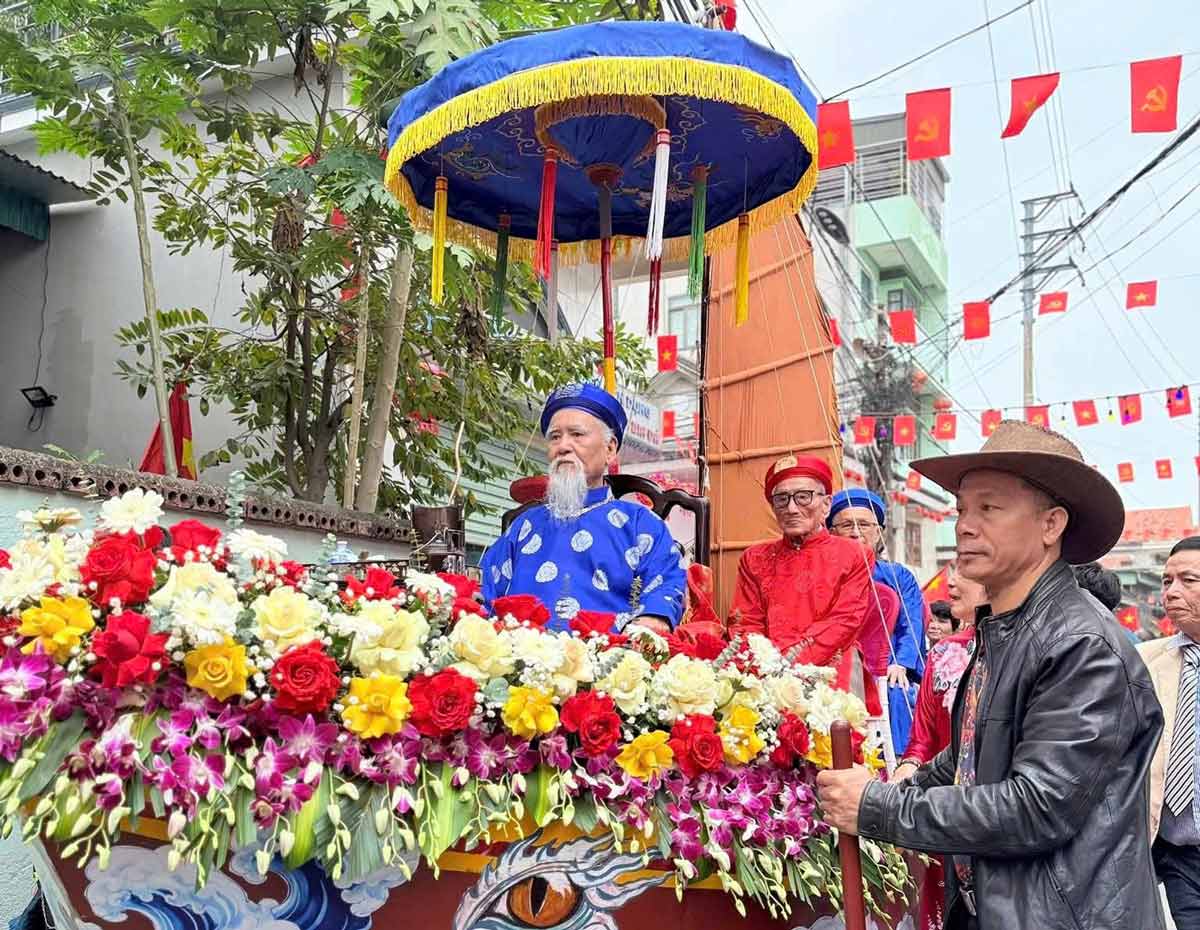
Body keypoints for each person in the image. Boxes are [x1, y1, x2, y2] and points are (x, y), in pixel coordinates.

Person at [816, 419, 1165, 930]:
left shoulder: (1079, 644)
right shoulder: (1003, 630)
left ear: (1051, 525)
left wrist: (878, 807)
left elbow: (1035, 807)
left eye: (989, 508)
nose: (964, 525)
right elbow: (974, 758)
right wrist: (898, 784)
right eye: (961, 509)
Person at [480, 384, 686, 634]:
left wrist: (649, 624)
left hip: (607, 663)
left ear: (610, 449)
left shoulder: (641, 524)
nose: (562, 446)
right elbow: (485, 599)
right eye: (555, 437)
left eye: (576, 434)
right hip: (520, 664)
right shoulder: (524, 526)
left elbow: (665, 588)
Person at [729, 454, 873, 687]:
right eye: (781, 499)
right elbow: (745, 623)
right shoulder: (754, 559)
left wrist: (785, 663)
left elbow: (844, 621)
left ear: (826, 504)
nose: (792, 508)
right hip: (765, 674)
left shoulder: (855, 554)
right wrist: (765, 667)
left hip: (832, 672)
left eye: (803, 497)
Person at [895, 564, 987, 930]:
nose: (950, 580)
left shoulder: (1024, 650)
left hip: (999, 819)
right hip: (944, 813)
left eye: (966, 569)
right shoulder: (944, 653)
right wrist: (906, 769)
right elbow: (922, 739)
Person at [828, 488, 926, 755]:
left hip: (886, 667)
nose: (855, 531)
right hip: (834, 667)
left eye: (864, 524)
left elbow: (912, 622)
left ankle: (903, 771)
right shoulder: (823, 576)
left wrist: (902, 663)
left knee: (897, 694)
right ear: (831, 532)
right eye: (846, 524)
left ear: (879, 531)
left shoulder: (898, 576)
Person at [1138, 536, 1200, 927]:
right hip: (1177, 853)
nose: (1171, 591)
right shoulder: (1145, 661)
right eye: (1166, 581)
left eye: (1187, 580)